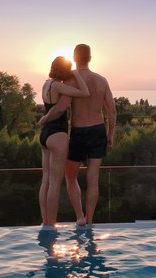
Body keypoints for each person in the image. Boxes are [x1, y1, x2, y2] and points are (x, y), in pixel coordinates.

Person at [39, 44, 116, 227]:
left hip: (79, 132)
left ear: (74, 58)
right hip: (98, 130)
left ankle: (79, 216)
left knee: (70, 177)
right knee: (93, 178)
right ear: (90, 58)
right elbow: (112, 111)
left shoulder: (70, 80)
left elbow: (61, 107)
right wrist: (110, 134)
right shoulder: (102, 80)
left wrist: (45, 118)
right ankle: (89, 220)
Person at [38, 56, 89, 229]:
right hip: (57, 135)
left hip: (44, 136)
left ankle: (45, 221)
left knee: (46, 180)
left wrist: (44, 119)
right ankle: (51, 224)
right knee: (55, 182)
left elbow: (52, 106)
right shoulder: (60, 86)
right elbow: (84, 92)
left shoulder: (46, 84)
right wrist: (77, 74)